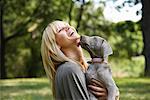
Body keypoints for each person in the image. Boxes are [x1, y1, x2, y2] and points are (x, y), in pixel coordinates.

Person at [41, 20, 108, 100]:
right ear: (55, 46)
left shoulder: (88, 67)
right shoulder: (69, 69)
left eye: (67, 25)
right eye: (60, 29)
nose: (67, 27)